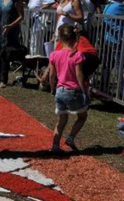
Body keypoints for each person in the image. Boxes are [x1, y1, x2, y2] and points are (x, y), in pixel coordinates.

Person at [49, 24, 88, 152]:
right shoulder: (77, 55)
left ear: (60, 38)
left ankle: (55, 146)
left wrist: (52, 87)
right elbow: (79, 74)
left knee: (62, 120)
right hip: (73, 90)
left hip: (60, 90)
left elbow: (52, 74)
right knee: (82, 116)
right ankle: (71, 137)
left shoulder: (54, 54)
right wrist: (84, 91)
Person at [0, 0, 25, 88]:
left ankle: (3, 79)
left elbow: (21, 16)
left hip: (10, 30)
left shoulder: (16, 2)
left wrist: (10, 26)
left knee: (4, 55)